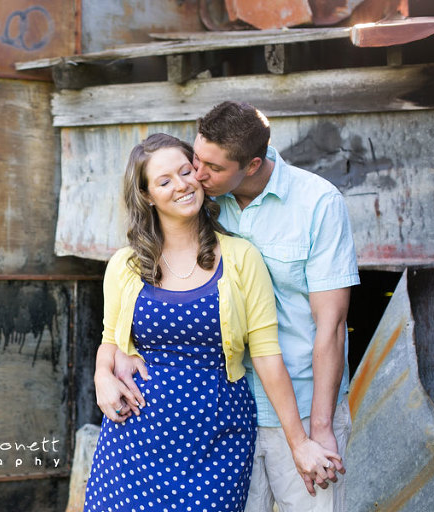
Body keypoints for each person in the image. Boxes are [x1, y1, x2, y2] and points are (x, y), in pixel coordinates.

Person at [116, 102, 359, 511]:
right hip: (228, 414)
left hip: (302, 405)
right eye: (196, 159)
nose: (196, 174)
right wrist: (112, 360)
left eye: (212, 167)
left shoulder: (318, 204)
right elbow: (142, 286)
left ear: (252, 165)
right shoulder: (203, 200)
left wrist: (319, 428)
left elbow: (331, 326)